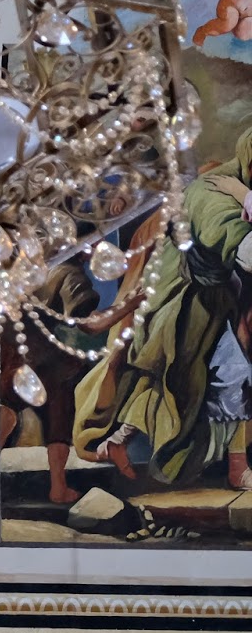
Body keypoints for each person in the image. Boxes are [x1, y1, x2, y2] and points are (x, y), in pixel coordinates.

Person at [73, 126, 252, 488]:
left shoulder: (227, 188)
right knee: (222, 377)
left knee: (173, 384)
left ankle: (118, 441)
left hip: (205, 305)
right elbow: (241, 249)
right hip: (188, 306)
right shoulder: (214, 194)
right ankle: (237, 469)